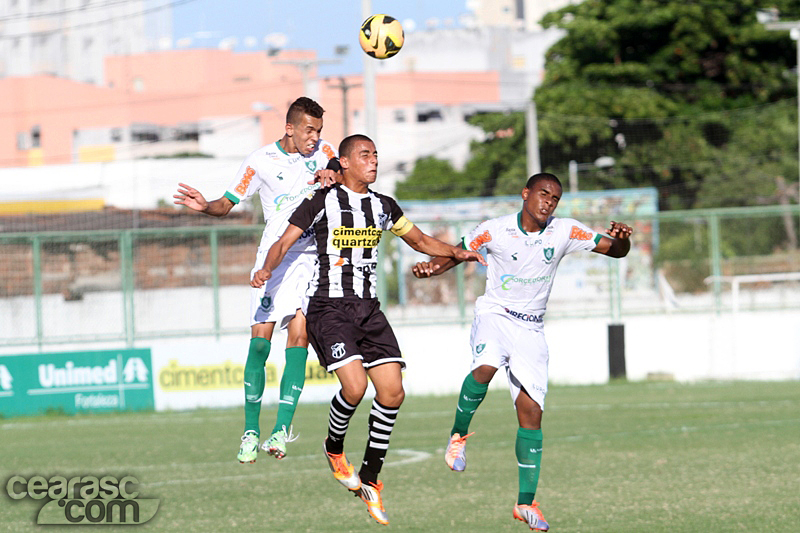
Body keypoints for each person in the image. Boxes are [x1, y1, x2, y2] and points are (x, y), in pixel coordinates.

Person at [251, 134, 486, 525]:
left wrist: (456, 252)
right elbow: (284, 240)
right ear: (343, 162)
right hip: (328, 308)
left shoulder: (383, 206)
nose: (373, 160)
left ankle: (372, 480)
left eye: (376, 154)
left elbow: (420, 239)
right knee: (355, 387)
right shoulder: (321, 200)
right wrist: (267, 269)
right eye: (365, 155)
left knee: (393, 392)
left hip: (368, 310)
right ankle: (333, 447)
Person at [411, 173, 633, 532]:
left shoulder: (565, 230)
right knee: (485, 367)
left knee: (531, 413)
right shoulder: (495, 229)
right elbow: (457, 253)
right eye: (543, 193)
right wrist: (430, 270)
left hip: (531, 327)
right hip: (495, 314)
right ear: (526, 194)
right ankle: (457, 437)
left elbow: (614, 251)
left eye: (555, 198)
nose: (549, 202)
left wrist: (622, 241)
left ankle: (526, 504)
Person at [174, 97, 341, 464]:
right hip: (273, 258)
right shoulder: (260, 161)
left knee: (299, 337)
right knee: (260, 343)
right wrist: (205, 206)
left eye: (319, 131)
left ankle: (281, 430)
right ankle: (251, 431)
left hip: (312, 257)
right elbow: (229, 202)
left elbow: (340, 169)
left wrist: (335, 173)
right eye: (309, 130)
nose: (315, 138)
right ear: (290, 128)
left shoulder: (326, 152)